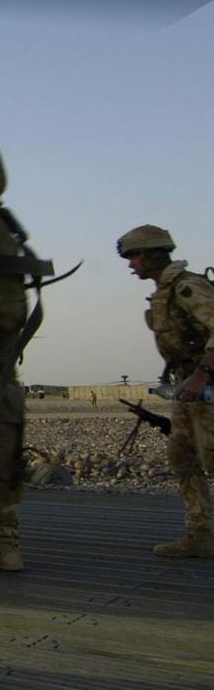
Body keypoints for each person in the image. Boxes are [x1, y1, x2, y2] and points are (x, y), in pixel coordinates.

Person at [118, 224, 214, 558]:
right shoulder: (165, 291)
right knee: (182, 457)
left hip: (206, 384)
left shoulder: (187, 287)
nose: (131, 265)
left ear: (153, 255)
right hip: (188, 388)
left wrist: (202, 375)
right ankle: (201, 533)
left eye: (134, 256)